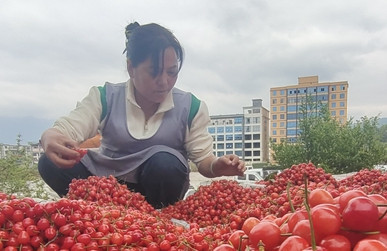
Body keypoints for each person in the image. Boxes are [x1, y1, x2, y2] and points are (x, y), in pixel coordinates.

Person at [38, 22, 245, 208]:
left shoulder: (190, 107)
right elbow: (70, 128)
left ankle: (155, 223)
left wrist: (217, 166)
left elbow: (203, 161)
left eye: (172, 72)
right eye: (154, 72)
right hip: (106, 188)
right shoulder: (105, 97)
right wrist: (51, 136)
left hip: (157, 190)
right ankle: (99, 214)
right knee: (50, 161)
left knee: (165, 163)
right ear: (131, 68)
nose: (164, 81)